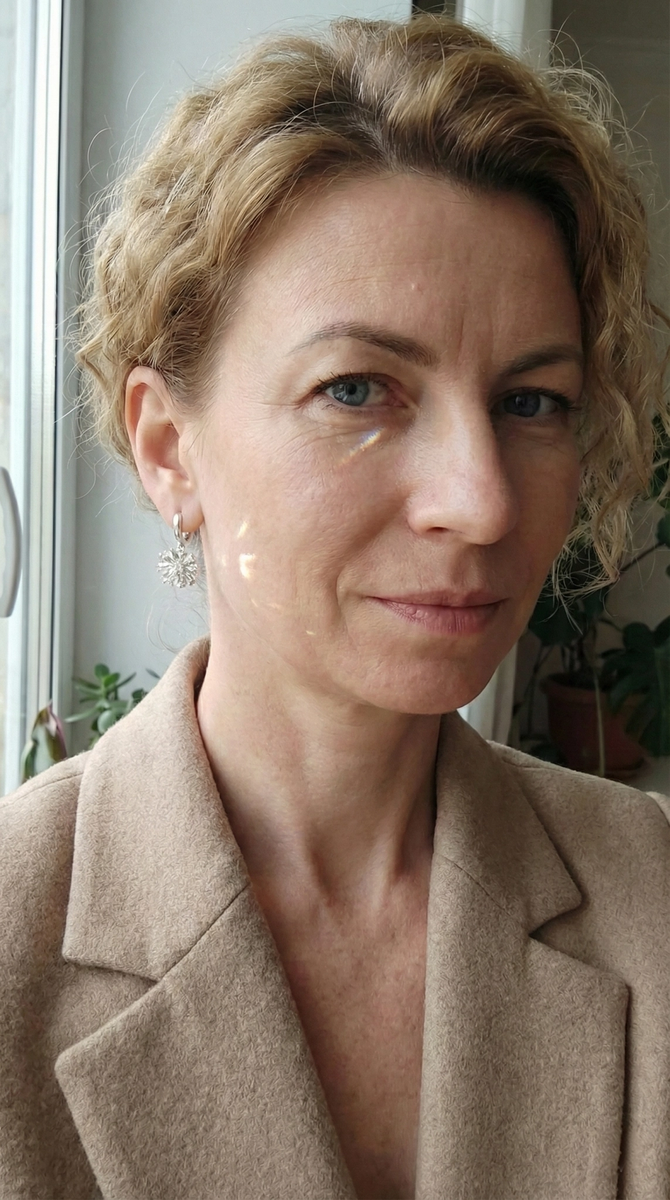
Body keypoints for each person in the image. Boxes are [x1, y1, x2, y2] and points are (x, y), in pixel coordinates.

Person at [1, 14, 669, 1200]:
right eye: (357, 389)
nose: (479, 501)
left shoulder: (647, 893)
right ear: (169, 448)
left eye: (531, 402)